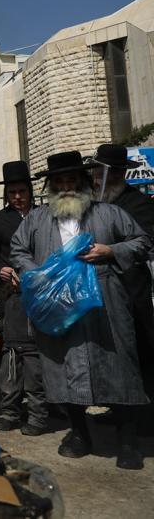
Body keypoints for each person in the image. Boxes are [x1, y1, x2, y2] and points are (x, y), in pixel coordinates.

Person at [10, 150, 151, 470]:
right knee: (62, 370)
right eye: (59, 182)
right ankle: (78, 433)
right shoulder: (37, 218)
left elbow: (141, 243)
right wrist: (37, 273)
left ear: (84, 182)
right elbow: (18, 250)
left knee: (119, 370)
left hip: (105, 303)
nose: (66, 187)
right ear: (51, 187)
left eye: (71, 180)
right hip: (58, 305)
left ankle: (127, 441)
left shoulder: (109, 213)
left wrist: (110, 250)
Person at [0, 160, 46, 435]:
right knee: (13, 356)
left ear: (30, 191)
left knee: (40, 357)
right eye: (12, 193)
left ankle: (42, 411)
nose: (17, 197)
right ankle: (10, 411)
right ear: (6, 195)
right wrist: (0, 269)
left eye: (22, 192)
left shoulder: (46, 216)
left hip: (44, 295)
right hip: (13, 298)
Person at [89, 143, 154, 400]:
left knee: (138, 350)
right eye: (99, 172)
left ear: (121, 174)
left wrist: (111, 250)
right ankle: (119, 408)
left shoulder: (137, 203)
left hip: (131, 291)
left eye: (111, 173)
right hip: (98, 291)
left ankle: (144, 415)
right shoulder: (92, 203)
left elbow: (146, 242)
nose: (102, 179)